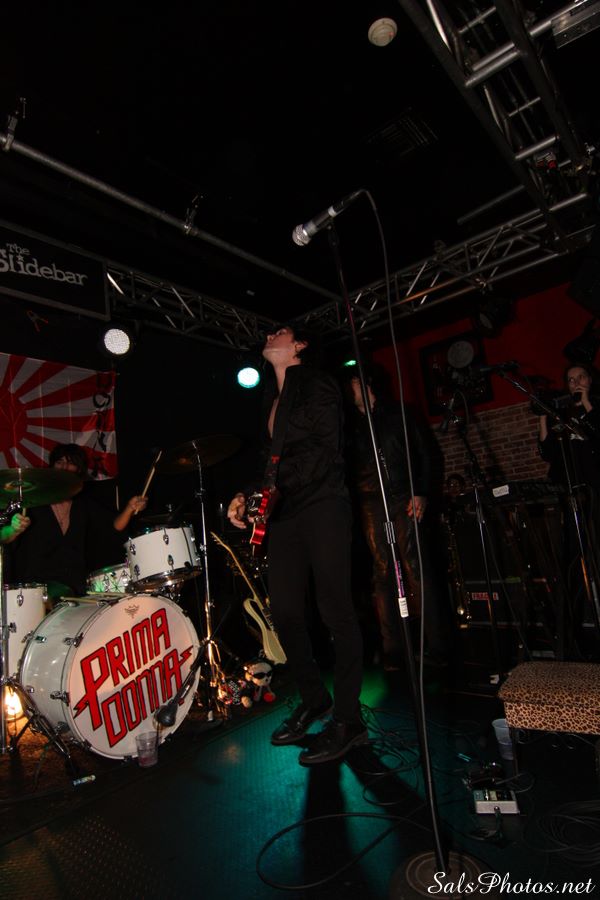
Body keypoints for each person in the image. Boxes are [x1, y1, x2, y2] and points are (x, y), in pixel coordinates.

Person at [227, 325, 367, 765]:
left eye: (281, 331)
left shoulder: (319, 383)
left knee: (335, 610)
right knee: (285, 612)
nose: (270, 335)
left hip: (324, 505)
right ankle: (314, 698)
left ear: (300, 345)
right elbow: (270, 462)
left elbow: (324, 450)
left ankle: (349, 720)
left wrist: (272, 492)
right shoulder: (270, 396)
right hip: (286, 514)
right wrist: (247, 495)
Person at [345, 369, 450, 671]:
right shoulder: (350, 426)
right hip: (371, 502)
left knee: (417, 567)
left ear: (365, 384)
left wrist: (421, 491)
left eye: (353, 384)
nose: (349, 391)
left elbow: (427, 453)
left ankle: (439, 647)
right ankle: (394, 649)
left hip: (405, 494)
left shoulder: (400, 413)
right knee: (383, 572)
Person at [4, 443, 147, 601]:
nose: (64, 467)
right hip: (35, 590)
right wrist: (13, 529)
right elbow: (4, 537)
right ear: (52, 467)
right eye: (59, 462)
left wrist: (129, 508)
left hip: (74, 588)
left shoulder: (83, 504)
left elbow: (114, 526)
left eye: (70, 463)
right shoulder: (33, 502)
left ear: (79, 470)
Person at [536, 362, 600, 655]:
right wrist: (542, 417)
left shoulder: (595, 407)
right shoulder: (562, 413)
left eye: (581, 377)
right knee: (572, 559)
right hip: (569, 495)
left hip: (595, 491)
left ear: (590, 379)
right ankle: (573, 630)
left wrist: (587, 403)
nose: (576, 383)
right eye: (571, 379)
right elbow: (547, 452)